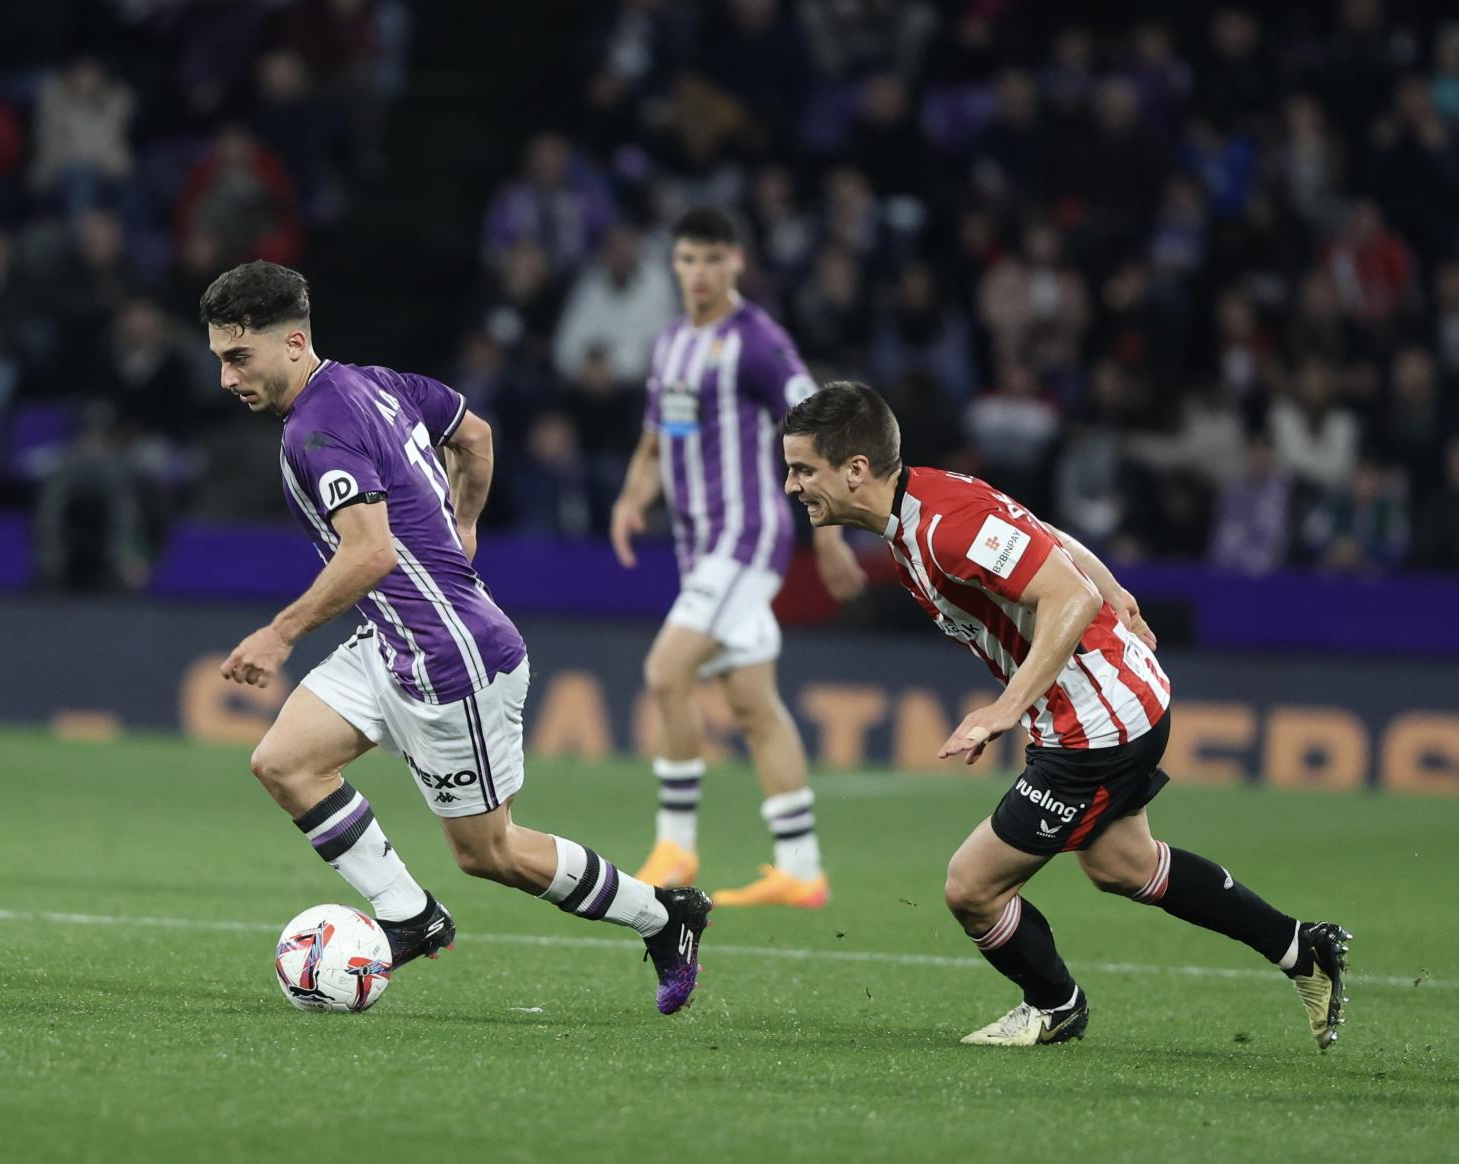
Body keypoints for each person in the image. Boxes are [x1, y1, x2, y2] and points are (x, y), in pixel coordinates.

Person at [200, 261, 710, 1014]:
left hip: (452, 661)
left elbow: (369, 553)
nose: (225, 377)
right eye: (219, 358)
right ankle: (409, 918)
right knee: (283, 763)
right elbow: (474, 435)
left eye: (238, 357)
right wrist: (463, 523)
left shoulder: (318, 427)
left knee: (490, 854)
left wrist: (280, 634)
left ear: (295, 342)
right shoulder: (380, 382)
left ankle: (665, 915)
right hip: (393, 640)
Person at [778, 381, 1350, 1050]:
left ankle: (1055, 1005)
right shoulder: (922, 506)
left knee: (972, 887)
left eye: (802, 470)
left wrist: (1003, 708)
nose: (792, 486)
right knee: (1123, 865)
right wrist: (1111, 585)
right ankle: (1301, 948)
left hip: (1097, 722)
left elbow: (1066, 600)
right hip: (1114, 700)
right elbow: (1041, 534)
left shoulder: (941, 528)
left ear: (854, 470)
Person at [610, 207, 866, 908]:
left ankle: (676, 846)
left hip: (745, 537)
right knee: (754, 703)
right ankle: (801, 866)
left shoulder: (757, 341)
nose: (698, 273)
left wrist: (830, 527)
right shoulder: (670, 345)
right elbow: (659, 437)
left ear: (737, 263)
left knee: (666, 670)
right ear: (675, 263)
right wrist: (632, 499)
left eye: (712, 259)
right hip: (699, 545)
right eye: (687, 259)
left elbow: (818, 420)